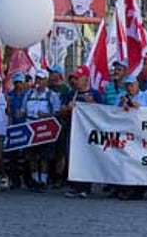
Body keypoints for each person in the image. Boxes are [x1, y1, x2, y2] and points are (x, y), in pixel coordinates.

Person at [61, 65, 102, 199]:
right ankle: (74, 186)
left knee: (86, 159)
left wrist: (93, 104)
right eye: (73, 78)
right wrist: (67, 108)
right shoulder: (70, 94)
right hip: (72, 131)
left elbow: (105, 113)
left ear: (85, 79)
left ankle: (85, 187)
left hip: (88, 133)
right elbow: (61, 110)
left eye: (77, 78)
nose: (75, 81)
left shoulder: (95, 94)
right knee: (71, 158)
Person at [24, 69, 61, 192]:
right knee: (31, 155)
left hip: (44, 128)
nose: (38, 81)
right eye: (37, 78)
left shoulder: (52, 95)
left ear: (46, 80)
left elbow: (57, 112)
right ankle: (34, 179)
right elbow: (23, 109)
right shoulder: (28, 94)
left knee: (44, 156)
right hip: (30, 126)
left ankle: (43, 180)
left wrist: (46, 115)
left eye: (41, 79)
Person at [5, 72, 29, 188]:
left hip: (26, 127)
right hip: (13, 127)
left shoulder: (28, 95)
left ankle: (27, 178)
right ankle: (15, 180)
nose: (18, 84)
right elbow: (6, 112)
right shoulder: (9, 95)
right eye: (16, 82)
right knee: (12, 156)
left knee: (26, 156)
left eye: (21, 82)